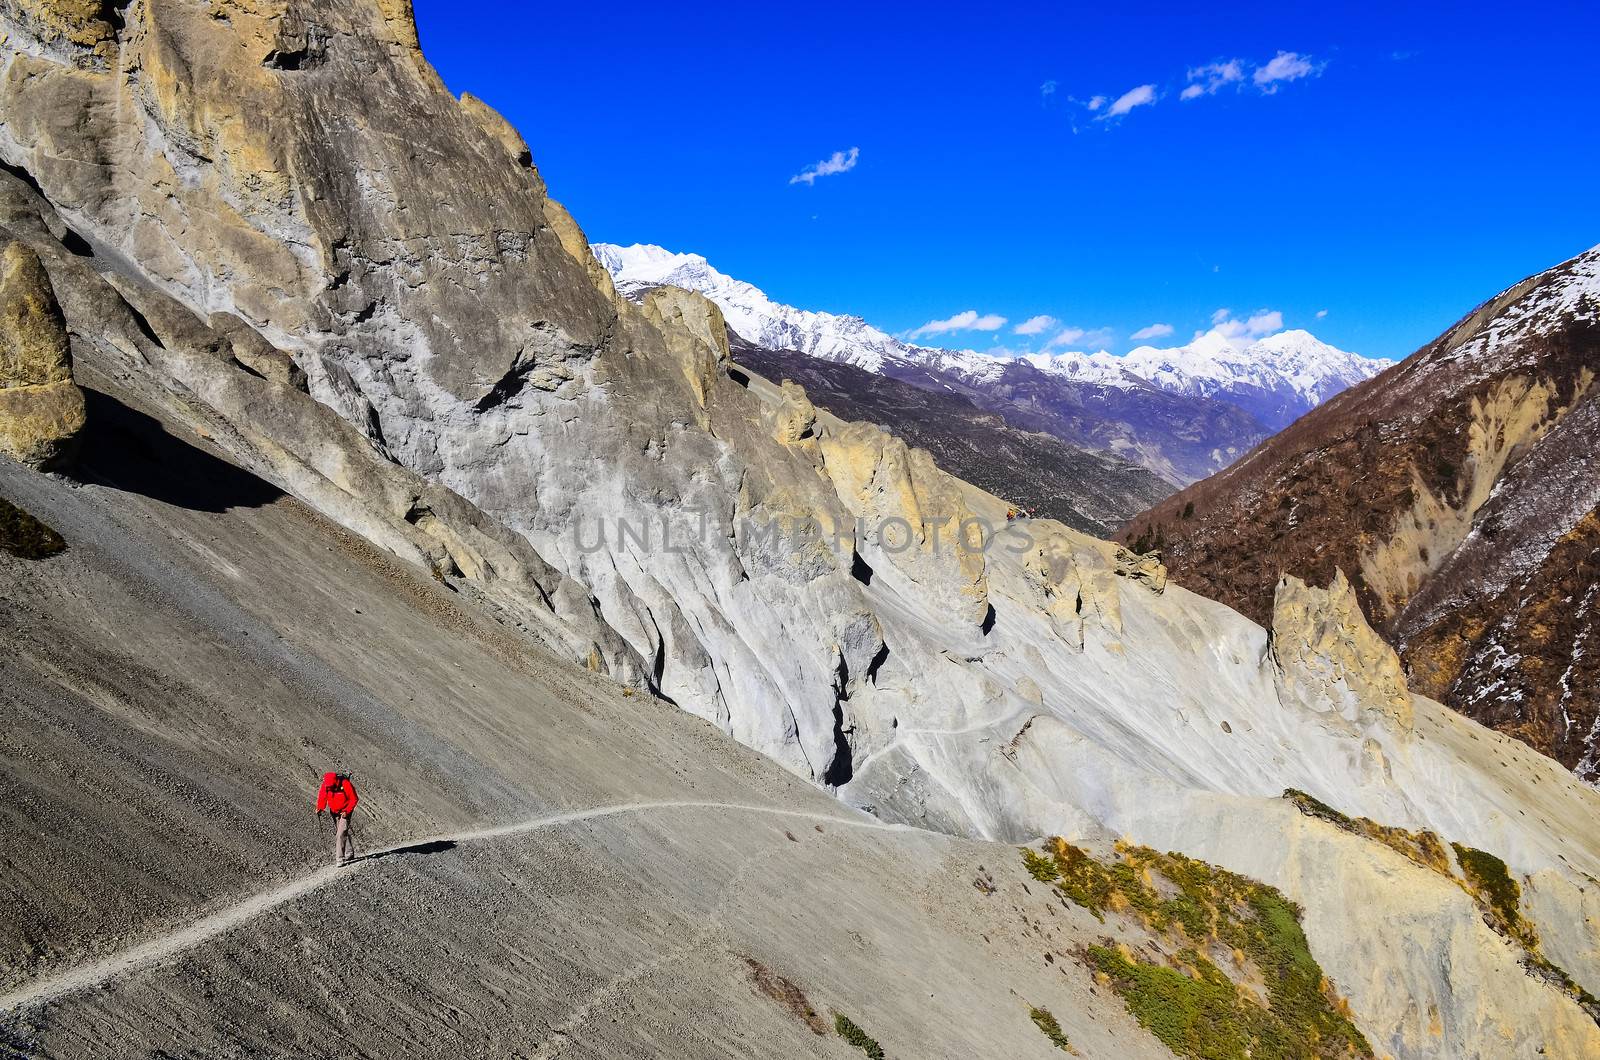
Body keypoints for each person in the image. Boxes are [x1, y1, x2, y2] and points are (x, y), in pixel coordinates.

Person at [315, 771, 360, 866]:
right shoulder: (326, 785)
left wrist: (347, 811)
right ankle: (349, 852)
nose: (329, 788)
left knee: (340, 834)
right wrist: (320, 808)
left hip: (345, 811)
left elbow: (354, 799)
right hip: (334, 812)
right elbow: (322, 796)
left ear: (335, 782)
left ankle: (340, 859)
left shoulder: (345, 784)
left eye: (331, 786)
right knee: (342, 833)